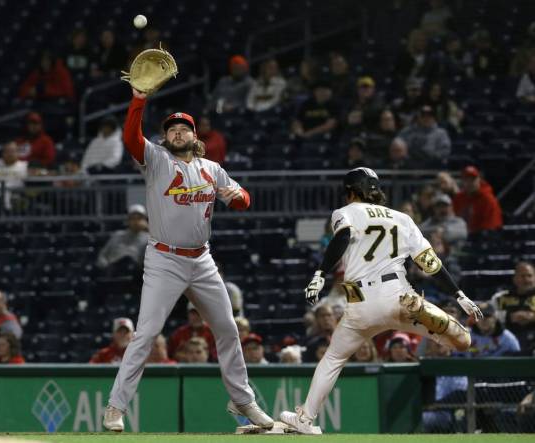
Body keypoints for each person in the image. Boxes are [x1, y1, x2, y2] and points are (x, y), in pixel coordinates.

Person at [102, 85, 273, 432]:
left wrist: (236, 195)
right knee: (146, 333)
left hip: (202, 260)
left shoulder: (212, 168)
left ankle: (243, 400)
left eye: (184, 128)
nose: (178, 132)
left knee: (228, 329)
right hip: (164, 259)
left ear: (195, 136)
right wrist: (138, 99)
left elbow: (245, 200)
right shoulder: (156, 160)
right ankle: (115, 407)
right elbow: (131, 137)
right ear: (165, 137)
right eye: (171, 129)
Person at [279, 167, 481, 434]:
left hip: (361, 304)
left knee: (333, 359)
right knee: (462, 340)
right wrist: (459, 294)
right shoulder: (403, 218)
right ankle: (451, 332)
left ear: (351, 191)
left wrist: (320, 273)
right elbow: (430, 264)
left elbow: (343, 236)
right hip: (399, 296)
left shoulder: (346, 212)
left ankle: (305, 419)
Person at [491, 262, 535, 355]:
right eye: (522, 276)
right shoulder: (500, 297)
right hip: (506, 343)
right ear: (515, 278)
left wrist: (532, 317)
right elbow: (488, 316)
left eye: (529, 276)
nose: (526, 280)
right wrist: (509, 317)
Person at [96, 204, 148, 271]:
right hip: (114, 272)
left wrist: (147, 229)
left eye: (139, 218)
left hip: (135, 274)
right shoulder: (118, 235)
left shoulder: (148, 239)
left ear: (144, 220)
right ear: (128, 220)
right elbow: (102, 255)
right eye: (133, 218)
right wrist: (106, 266)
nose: (136, 222)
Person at [452, 165, 503, 234]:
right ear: (462, 181)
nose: (470, 183)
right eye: (466, 179)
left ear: (479, 180)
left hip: (480, 238)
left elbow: (492, 226)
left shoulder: (488, 199)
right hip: (459, 236)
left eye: (473, 179)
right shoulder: (458, 198)